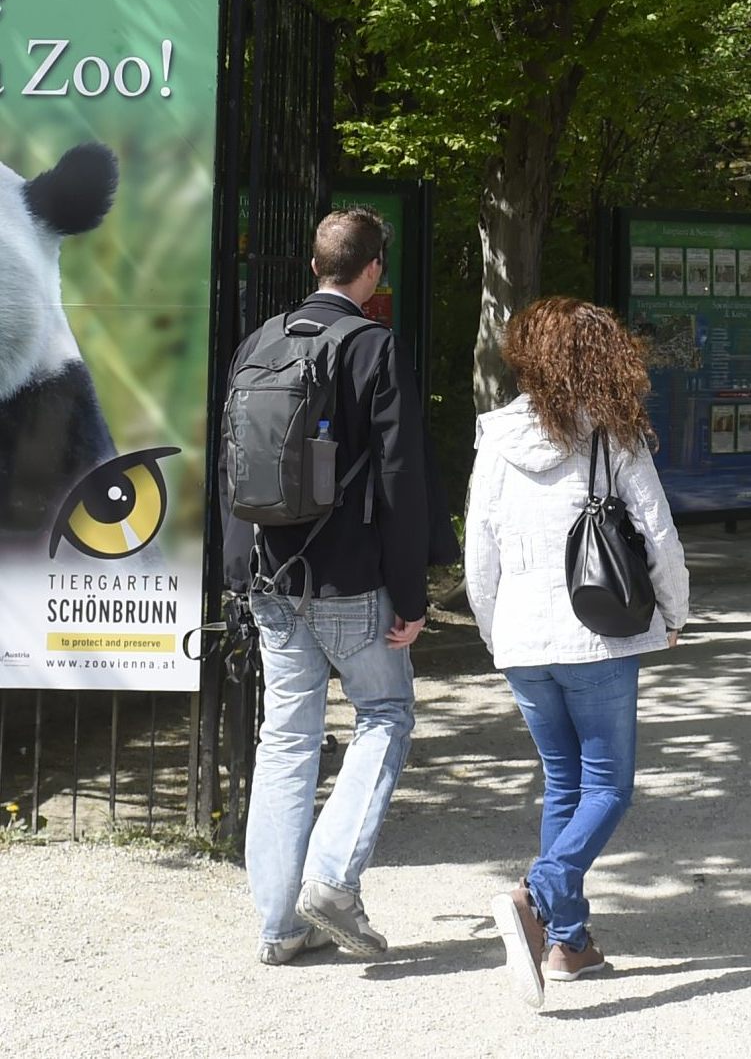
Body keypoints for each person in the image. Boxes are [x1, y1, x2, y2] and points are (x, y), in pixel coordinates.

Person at [223, 205, 456, 965]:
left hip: (269, 576)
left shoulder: (259, 342)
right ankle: (331, 878)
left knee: (284, 739)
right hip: (351, 579)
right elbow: (401, 477)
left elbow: (229, 463)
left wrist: (238, 575)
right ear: (373, 270)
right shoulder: (372, 347)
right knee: (385, 712)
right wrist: (413, 594)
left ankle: (277, 926)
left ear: (314, 266)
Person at [466, 298, 690, 1009]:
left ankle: (570, 944)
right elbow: (658, 535)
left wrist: (494, 631)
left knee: (566, 785)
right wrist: (676, 612)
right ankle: (539, 893)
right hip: (598, 636)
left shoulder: (495, 437)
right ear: (602, 357)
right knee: (609, 788)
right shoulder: (613, 436)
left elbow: (480, 552)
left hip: (523, 638)